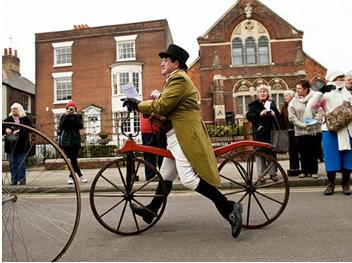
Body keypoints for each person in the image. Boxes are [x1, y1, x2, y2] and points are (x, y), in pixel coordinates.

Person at [122, 44, 243, 238]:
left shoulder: (179, 78)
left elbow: (162, 106)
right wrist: (142, 105)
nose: (161, 63)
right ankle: (151, 211)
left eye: (165, 60)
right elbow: (166, 105)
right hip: (174, 136)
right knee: (165, 176)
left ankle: (229, 208)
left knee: (188, 179)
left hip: (183, 135)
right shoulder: (174, 80)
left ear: (175, 63)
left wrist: (138, 104)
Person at [312, 70, 352, 195]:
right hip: (330, 130)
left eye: (342, 77)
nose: (341, 79)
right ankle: (331, 185)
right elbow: (312, 106)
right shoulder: (326, 94)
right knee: (331, 158)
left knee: (347, 158)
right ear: (332, 79)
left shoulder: (349, 94)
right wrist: (320, 92)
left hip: (347, 129)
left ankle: (346, 185)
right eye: (338, 77)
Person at [288, 79, 323, 179]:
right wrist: (302, 125)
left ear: (306, 89)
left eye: (299, 88)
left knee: (313, 151)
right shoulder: (293, 101)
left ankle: (313, 171)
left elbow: (320, 113)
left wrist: (312, 124)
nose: (297, 90)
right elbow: (292, 117)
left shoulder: (315, 98)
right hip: (300, 131)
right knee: (303, 152)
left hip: (314, 130)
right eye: (296, 88)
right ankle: (304, 171)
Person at [246, 84, 281, 182]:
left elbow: (279, 117)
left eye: (264, 91)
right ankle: (261, 175)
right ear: (258, 94)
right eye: (260, 92)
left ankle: (272, 173)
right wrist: (260, 114)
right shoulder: (253, 105)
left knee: (271, 153)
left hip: (271, 133)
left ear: (267, 93)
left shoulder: (272, 104)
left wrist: (274, 114)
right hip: (259, 133)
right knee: (259, 153)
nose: (262, 93)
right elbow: (249, 116)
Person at [58, 101, 88, 184]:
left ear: (75, 109)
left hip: (75, 140)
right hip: (66, 141)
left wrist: (75, 115)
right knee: (73, 160)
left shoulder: (78, 116)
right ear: (67, 109)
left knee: (73, 160)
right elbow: (61, 126)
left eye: (73, 108)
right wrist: (66, 116)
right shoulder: (63, 116)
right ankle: (79, 176)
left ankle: (73, 177)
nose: (71, 110)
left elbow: (80, 126)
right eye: (69, 108)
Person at [3, 103, 32, 185]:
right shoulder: (8, 119)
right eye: (12, 109)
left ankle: (22, 179)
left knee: (21, 162)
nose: (13, 110)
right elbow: (2, 129)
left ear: (19, 109)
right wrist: (6, 129)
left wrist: (20, 130)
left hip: (22, 145)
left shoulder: (25, 119)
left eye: (15, 109)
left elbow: (31, 129)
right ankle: (14, 180)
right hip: (11, 144)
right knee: (12, 163)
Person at [140, 109, 166, 180]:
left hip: (146, 130)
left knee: (149, 155)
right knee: (161, 153)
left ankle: (151, 175)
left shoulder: (146, 104)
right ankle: (161, 174)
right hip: (154, 130)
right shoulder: (155, 104)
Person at [280, 89, 301, 177]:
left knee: (298, 150)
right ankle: (293, 168)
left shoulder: (296, 105)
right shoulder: (284, 107)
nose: (285, 97)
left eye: (287, 96)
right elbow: (281, 118)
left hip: (297, 130)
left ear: (292, 97)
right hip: (288, 131)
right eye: (284, 96)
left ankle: (302, 169)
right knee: (292, 151)